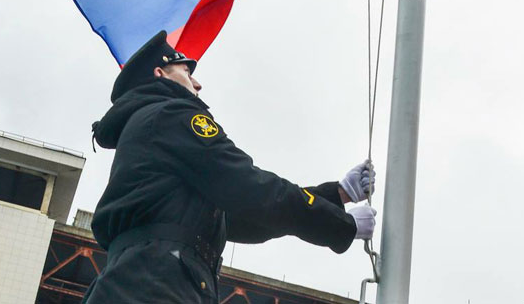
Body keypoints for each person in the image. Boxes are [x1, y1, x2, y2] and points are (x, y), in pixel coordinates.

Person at [84, 31, 377, 304]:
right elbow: (248, 188)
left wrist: (336, 197)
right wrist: (340, 225)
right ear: (160, 73)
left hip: (142, 280)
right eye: (186, 72)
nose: (197, 84)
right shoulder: (171, 114)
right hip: (157, 284)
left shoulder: (150, 126)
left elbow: (240, 216)